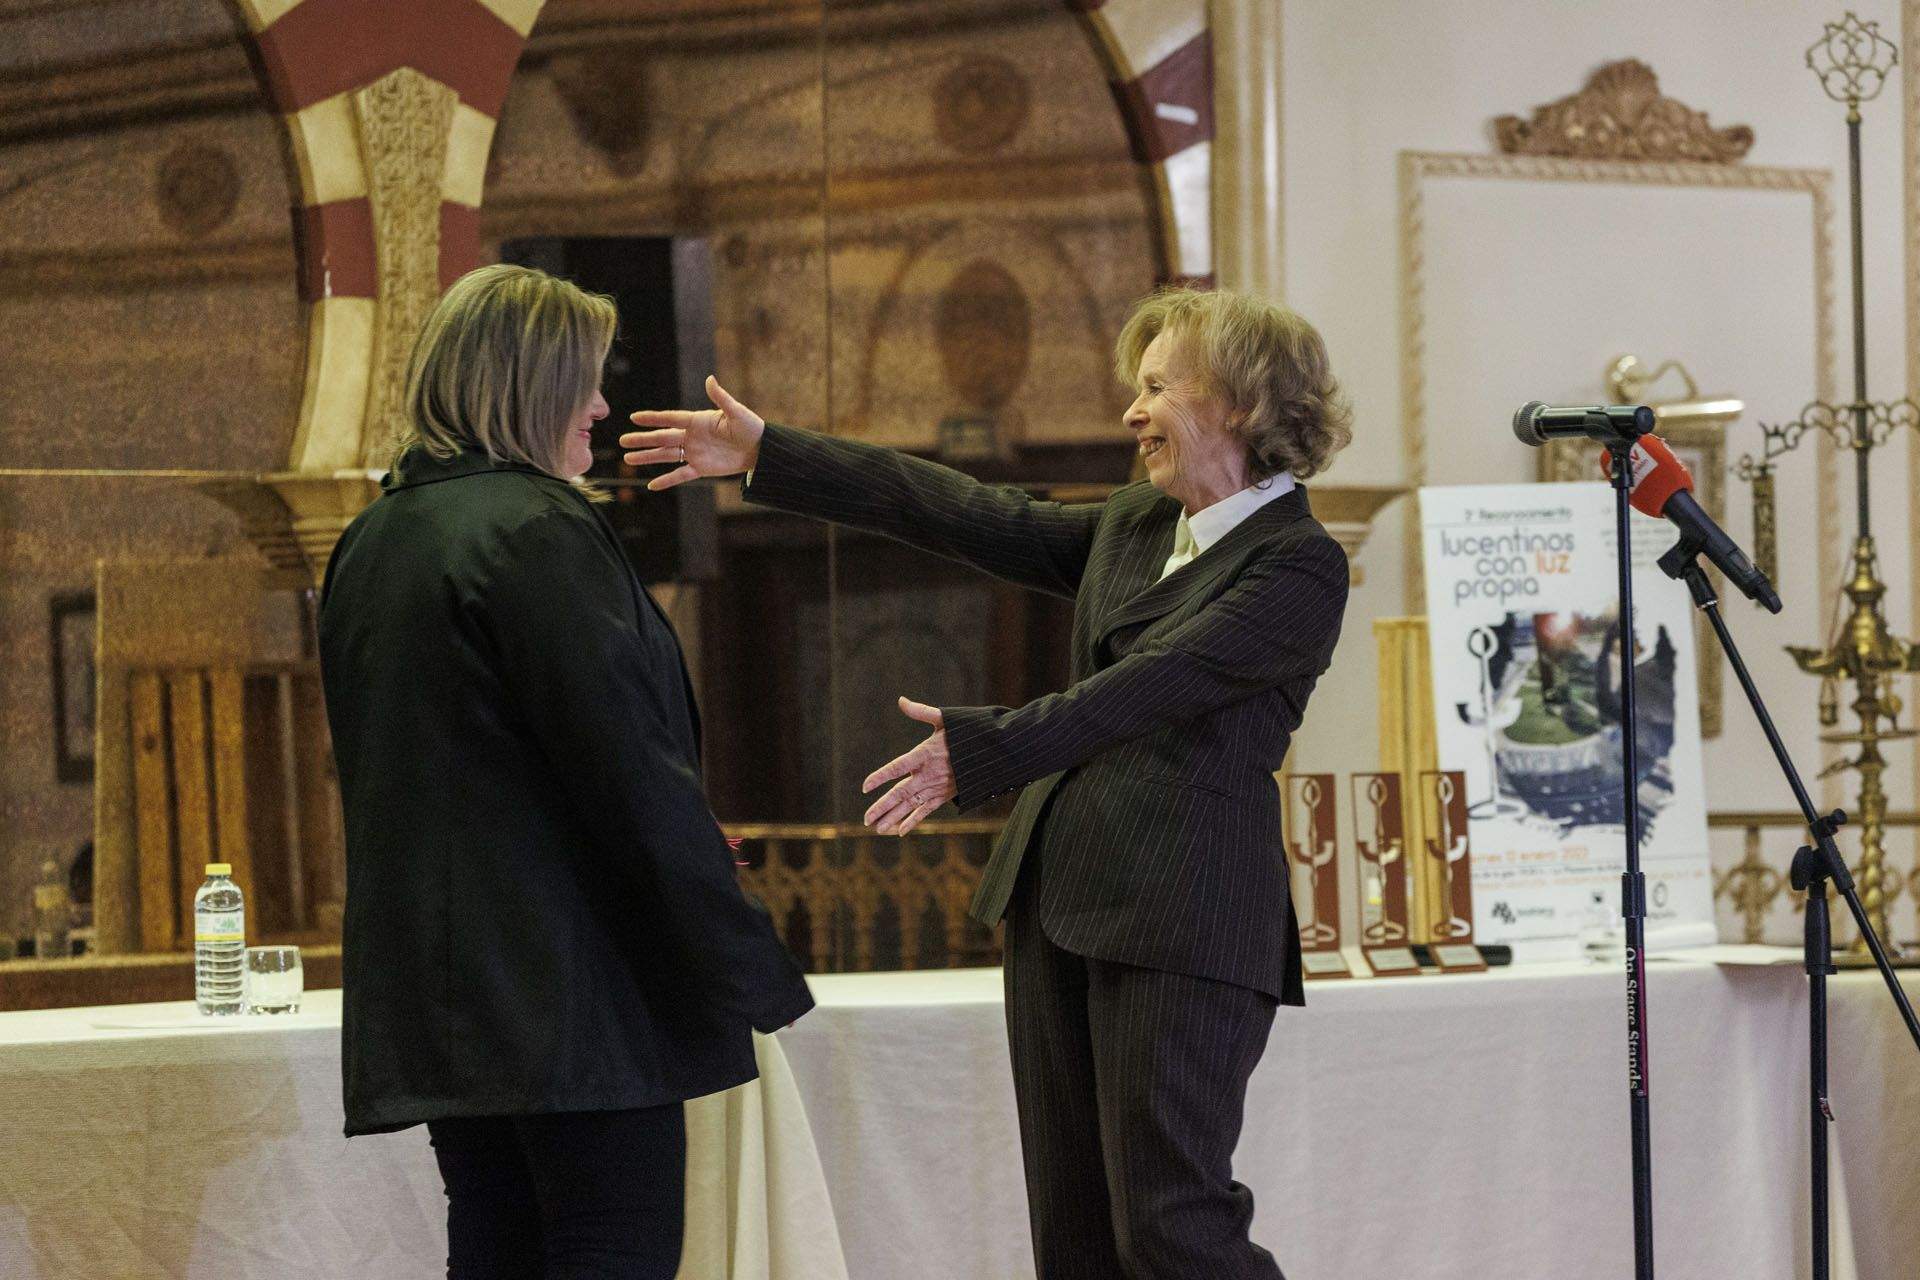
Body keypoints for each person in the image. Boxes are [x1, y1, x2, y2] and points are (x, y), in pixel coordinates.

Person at [623, 285, 1353, 1278]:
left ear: (1238, 399)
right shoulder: (1138, 523)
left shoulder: (1299, 564)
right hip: (1058, 901)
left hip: (1184, 918)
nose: (1132, 412)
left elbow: (1146, 689)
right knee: (1076, 1233)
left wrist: (983, 747)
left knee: (1174, 1222)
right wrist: (774, 454)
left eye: (1156, 387)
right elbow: (963, 509)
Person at [319, 264, 812, 1280]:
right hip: (576, 1008)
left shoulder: (374, 539)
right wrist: (746, 962)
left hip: (449, 1007)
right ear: (528, 384)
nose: (598, 405)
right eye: (585, 380)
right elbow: (629, 773)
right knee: (609, 1249)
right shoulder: (536, 531)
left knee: (494, 1251)